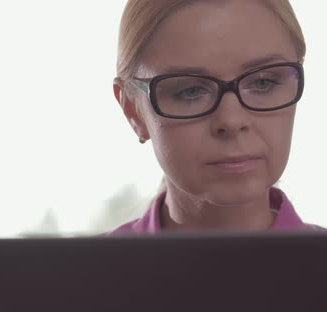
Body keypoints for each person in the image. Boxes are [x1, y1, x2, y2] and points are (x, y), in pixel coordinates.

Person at [108, 0, 322, 234]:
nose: (231, 122)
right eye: (190, 91)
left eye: (263, 82)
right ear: (133, 111)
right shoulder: (82, 270)